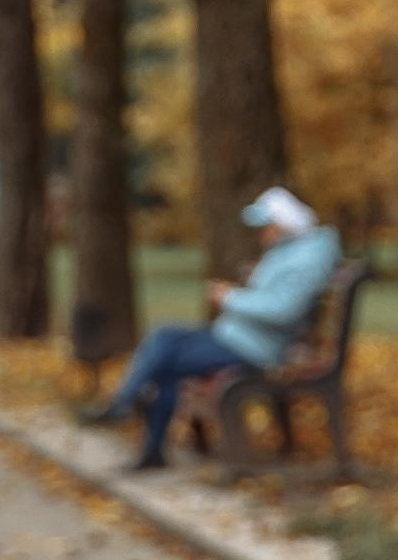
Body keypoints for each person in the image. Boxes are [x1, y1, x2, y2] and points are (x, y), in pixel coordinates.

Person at [81, 186, 341, 468]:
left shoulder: (305, 259)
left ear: (282, 224)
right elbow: (275, 298)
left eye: (265, 227)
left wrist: (229, 297)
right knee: (164, 347)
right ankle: (143, 437)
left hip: (256, 348)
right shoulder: (291, 251)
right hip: (240, 337)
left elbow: (282, 311)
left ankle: (123, 405)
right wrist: (243, 290)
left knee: (164, 345)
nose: (261, 234)